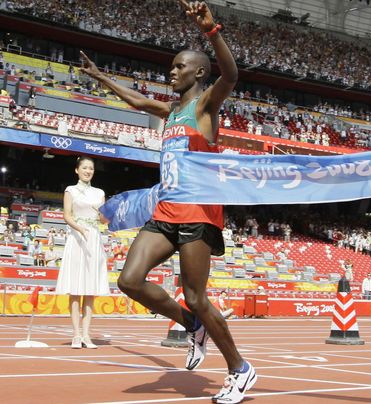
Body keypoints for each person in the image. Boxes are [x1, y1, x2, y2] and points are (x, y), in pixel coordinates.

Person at [80, 2, 253, 403]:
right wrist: (100, 77)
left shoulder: (205, 105)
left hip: (198, 214)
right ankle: (192, 325)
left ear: (198, 73)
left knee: (196, 295)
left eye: (178, 67)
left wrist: (212, 31)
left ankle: (239, 369)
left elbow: (232, 74)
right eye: (171, 67)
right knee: (129, 281)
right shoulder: (173, 111)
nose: (171, 72)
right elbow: (139, 103)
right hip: (166, 211)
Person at [55, 156, 109, 349]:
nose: (88, 171)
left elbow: (104, 221)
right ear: (77, 170)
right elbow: (67, 216)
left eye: (91, 168)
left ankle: (87, 334)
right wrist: (80, 229)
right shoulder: (71, 190)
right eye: (85, 168)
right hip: (78, 239)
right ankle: (76, 335)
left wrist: (103, 214)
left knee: (90, 289)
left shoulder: (99, 193)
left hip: (94, 239)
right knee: (76, 288)